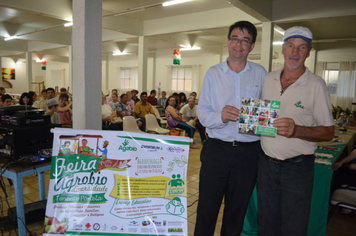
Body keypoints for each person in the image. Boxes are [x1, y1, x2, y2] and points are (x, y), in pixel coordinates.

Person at [258, 26, 334, 236]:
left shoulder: (316, 85)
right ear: (282, 49)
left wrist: (297, 130)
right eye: (290, 46)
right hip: (266, 165)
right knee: (266, 225)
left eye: (302, 48)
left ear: (308, 53)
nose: (294, 52)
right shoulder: (268, 79)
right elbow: (262, 118)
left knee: (294, 228)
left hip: (297, 170)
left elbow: (328, 132)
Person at [195, 21, 267, 236]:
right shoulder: (213, 73)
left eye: (245, 40)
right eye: (235, 38)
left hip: (248, 153)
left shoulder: (261, 73)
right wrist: (221, 116)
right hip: (217, 150)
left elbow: (266, 113)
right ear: (228, 41)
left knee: (236, 213)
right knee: (206, 210)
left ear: (252, 46)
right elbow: (203, 113)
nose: (239, 44)